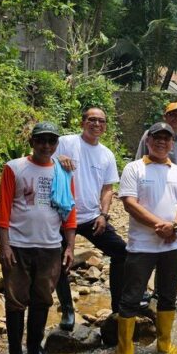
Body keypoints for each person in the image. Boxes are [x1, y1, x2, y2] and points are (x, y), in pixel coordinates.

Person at [0, 122, 77, 354]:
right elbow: (3, 211)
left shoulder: (63, 172)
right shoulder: (15, 168)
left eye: (51, 141)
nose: (46, 146)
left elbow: (70, 213)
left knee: (43, 299)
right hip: (19, 245)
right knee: (16, 300)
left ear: (56, 145)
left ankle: (34, 350)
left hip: (51, 246)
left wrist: (70, 247)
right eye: (41, 140)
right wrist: (4, 246)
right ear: (32, 142)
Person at [116, 122, 177, 354]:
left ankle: (164, 343)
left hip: (173, 244)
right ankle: (125, 350)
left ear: (172, 144)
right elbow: (129, 202)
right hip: (142, 245)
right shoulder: (134, 168)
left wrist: (175, 226)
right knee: (131, 296)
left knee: (169, 295)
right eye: (156, 138)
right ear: (147, 142)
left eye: (166, 139)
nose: (161, 142)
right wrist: (159, 226)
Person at [54, 107, 125, 331]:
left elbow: (107, 188)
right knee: (61, 262)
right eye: (92, 120)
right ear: (83, 122)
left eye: (101, 121)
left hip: (91, 217)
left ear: (105, 125)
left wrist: (104, 215)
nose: (96, 124)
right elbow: (41, 154)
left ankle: (118, 306)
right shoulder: (65, 142)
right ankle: (67, 309)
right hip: (61, 216)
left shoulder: (106, 154)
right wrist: (59, 158)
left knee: (122, 252)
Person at [134, 102, 177, 178]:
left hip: (173, 184)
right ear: (165, 117)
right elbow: (140, 158)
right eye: (173, 114)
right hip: (148, 180)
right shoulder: (150, 135)